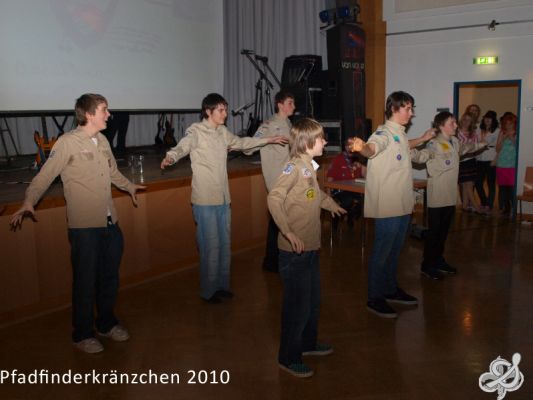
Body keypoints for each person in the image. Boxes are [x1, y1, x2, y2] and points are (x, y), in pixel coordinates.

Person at [10, 93, 145, 354]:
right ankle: (82, 334)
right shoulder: (67, 143)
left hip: (110, 223)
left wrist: (129, 187)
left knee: (109, 278)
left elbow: (113, 172)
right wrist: (29, 200)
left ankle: (106, 324)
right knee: (85, 281)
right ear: (89, 114)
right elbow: (45, 175)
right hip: (84, 228)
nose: (109, 114)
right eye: (104, 110)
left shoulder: (103, 140)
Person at [160, 93, 288, 303]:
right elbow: (182, 146)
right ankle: (208, 291)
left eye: (226, 110)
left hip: (223, 199)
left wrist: (268, 140)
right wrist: (171, 156)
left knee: (224, 245)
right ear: (208, 111)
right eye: (221, 110)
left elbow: (242, 142)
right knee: (210, 246)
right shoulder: (196, 131)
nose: (225, 114)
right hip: (205, 200)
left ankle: (222, 286)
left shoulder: (222, 132)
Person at [267, 118, 345, 378]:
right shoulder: (293, 167)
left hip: (310, 248)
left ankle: (308, 344)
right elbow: (274, 198)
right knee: (296, 307)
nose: (325, 142)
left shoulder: (309, 165)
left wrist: (331, 204)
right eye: (321, 138)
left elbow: (315, 194)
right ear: (308, 142)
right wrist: (287, 231)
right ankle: (288, 357)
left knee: (312, 302)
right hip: (294, 254)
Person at [348, 91, 434, 318]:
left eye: (412, 108)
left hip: (402, 203)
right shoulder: (383, 133)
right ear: (394, 109)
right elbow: (372, 148)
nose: (411, 113)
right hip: (388, 205)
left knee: (395, 251)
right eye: (408, 108)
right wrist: (361, 147)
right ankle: (374, 297)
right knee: (382, 252)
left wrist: (423, 138)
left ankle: (389, 289)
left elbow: (405, 144)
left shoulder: (399, 134)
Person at [411, 111, 487, 280]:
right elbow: (421, 156)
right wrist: (406, 150)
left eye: (455, 122)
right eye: (452, 123)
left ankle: (438, 260)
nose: (456, 125)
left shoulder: (454, 141)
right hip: (438, 195)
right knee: (434, 233)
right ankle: (427, 265)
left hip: (450, 195)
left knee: (444, 232)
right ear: (441, 126)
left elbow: (466, 148)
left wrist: (481, 144)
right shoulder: (434, 144)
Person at [254, 90, 295, 272]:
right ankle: (271, 261)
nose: (294, 106)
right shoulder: (269, 125)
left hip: (289, 179)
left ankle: (280, 258)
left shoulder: (289, 124)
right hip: (277, 180)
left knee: (283, 219)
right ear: (280, 105)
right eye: (290, 103)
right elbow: (252, 143)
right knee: (276, 220)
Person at [326, 138, 366, 227]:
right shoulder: (338, 159)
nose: (351, 148)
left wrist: (362, 167)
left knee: (366, 200)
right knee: (348, 200)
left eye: (353, 146)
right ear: (345, 147)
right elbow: (329, 179)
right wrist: (329, 198)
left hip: (354, 189)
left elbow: (366, 176)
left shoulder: (358, 158)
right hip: (340, 190)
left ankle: (351, 215)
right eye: (349, 146)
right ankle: (337, 217)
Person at [475, 111, 500, 213]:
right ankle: (484, 201)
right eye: (486, 117)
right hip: (479, 158)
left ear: (493, 120)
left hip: (491, 157)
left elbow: (498, 147)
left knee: (490, 183)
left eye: (490, 118)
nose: (487, 119)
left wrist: (495, 160)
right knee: (478, 182)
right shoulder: (478, 128)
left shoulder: (497, 130)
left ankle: (489, 205)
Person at [495, 113, 518, 216]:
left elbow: (518, 147)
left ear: (514, 124)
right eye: (507, 123)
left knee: (512, 188)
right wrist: (503, 139)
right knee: (502, 188)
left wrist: (512, 138)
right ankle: (505, 208)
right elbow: (497, 149)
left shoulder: (517, 133)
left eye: (511, 123)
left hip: (512, 165)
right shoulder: (502, 133)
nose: (508, 125)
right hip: (501, 164)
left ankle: (514, 207)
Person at [457, 113, 479, 212]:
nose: (466, 121)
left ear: (471, 122)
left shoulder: (473, 133)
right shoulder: (456, 132)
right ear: (462, 120)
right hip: (461, 161)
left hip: (471, 160)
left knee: (469, 185)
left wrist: (471, 149)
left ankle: (465, 205)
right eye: (465, 119)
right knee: (465, 184)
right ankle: (476, 207)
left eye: (469, 120)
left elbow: (475, 147)